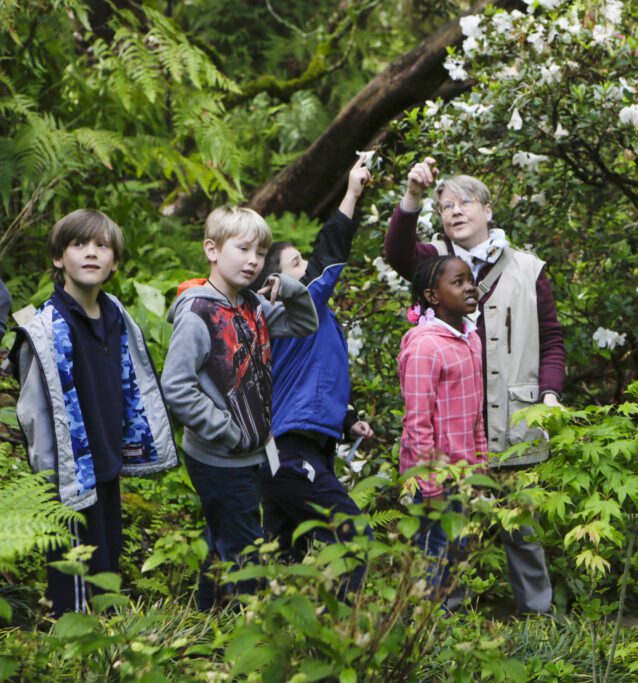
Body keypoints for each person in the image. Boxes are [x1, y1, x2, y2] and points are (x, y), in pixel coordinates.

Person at [384, 158, 566, 614]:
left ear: (487, 209)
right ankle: (450, 620)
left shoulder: (527, 268)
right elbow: (397, 254)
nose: (454, 211)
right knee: (451, 533)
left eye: (465, 202)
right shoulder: (433, 264)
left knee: (523, 528)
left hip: (516, 421)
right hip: (455, 431)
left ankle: (537, 616)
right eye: (445, 205)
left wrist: (549, 395)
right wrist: (412, 196)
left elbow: (552, 341)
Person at [13, 209, 178, 616]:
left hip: (107, 464)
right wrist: (54, 477)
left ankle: (108, 650)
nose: (91, 253)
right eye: (78, 244)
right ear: (58, 258)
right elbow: (34, 413)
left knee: (107, 563)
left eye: (102, 246)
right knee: (74, 578)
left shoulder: (116, 316)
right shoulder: (45, 329)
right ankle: (72, 654)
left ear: (114, 261)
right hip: (70, 478)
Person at [161, 206, 318, 610]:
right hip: (219, 455)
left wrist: (293, 288)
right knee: (247, 550)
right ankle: (246, 630)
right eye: (243, 248)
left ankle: (207, 615)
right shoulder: (198, 314)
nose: (253, 260)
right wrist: (226, 431)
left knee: (225, 537)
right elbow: (176, 386)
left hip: (253, 450)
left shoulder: (252, 306)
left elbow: (304, 326)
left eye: (261, 253)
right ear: (212, 250)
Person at [249, 160, 374, 590]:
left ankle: (271, 633)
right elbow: (331, 255)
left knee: (284, 554)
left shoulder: (312, 318)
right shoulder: (291, 308)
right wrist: (352, 192)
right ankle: (348, 631)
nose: (307, 270)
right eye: (297, 263)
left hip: (299, 447)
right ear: (274, 282)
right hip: (289, 450)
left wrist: (345, 419)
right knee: (353, 536)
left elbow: (310, 377)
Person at [398, 255, 486, 597]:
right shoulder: (425, 346)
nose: (470, 288)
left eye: (470, 280)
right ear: (432, 296)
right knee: (431, 554)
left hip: (463, 473)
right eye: (458, 282)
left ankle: (453, 627)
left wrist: (480, 467)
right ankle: (423, 629)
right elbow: (417, 423)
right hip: (431, 479)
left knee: (458, 552)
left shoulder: (471, 339)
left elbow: (476, 412)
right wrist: (430, 484)